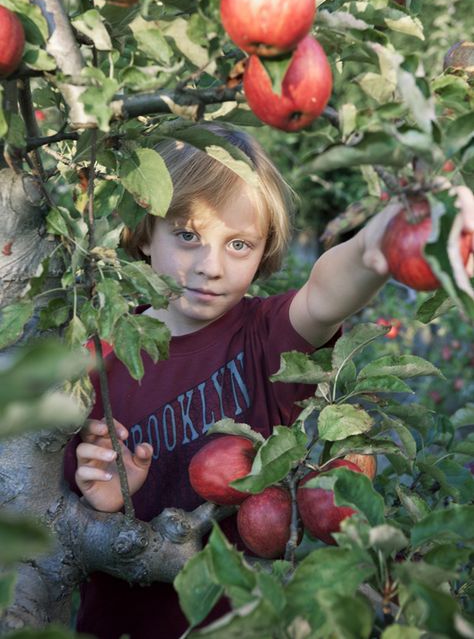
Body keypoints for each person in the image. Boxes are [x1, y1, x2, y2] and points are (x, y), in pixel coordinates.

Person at [64, 122, 474, 639]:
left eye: (239, 244)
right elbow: (55, 522)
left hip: (246, 623)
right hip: (119, 624)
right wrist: (102, 498)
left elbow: (325, 291)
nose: (210, 266)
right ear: (145, 232)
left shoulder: (266, 337)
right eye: (188, 235)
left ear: (263, 254)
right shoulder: (93, 361)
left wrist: (380, 241)